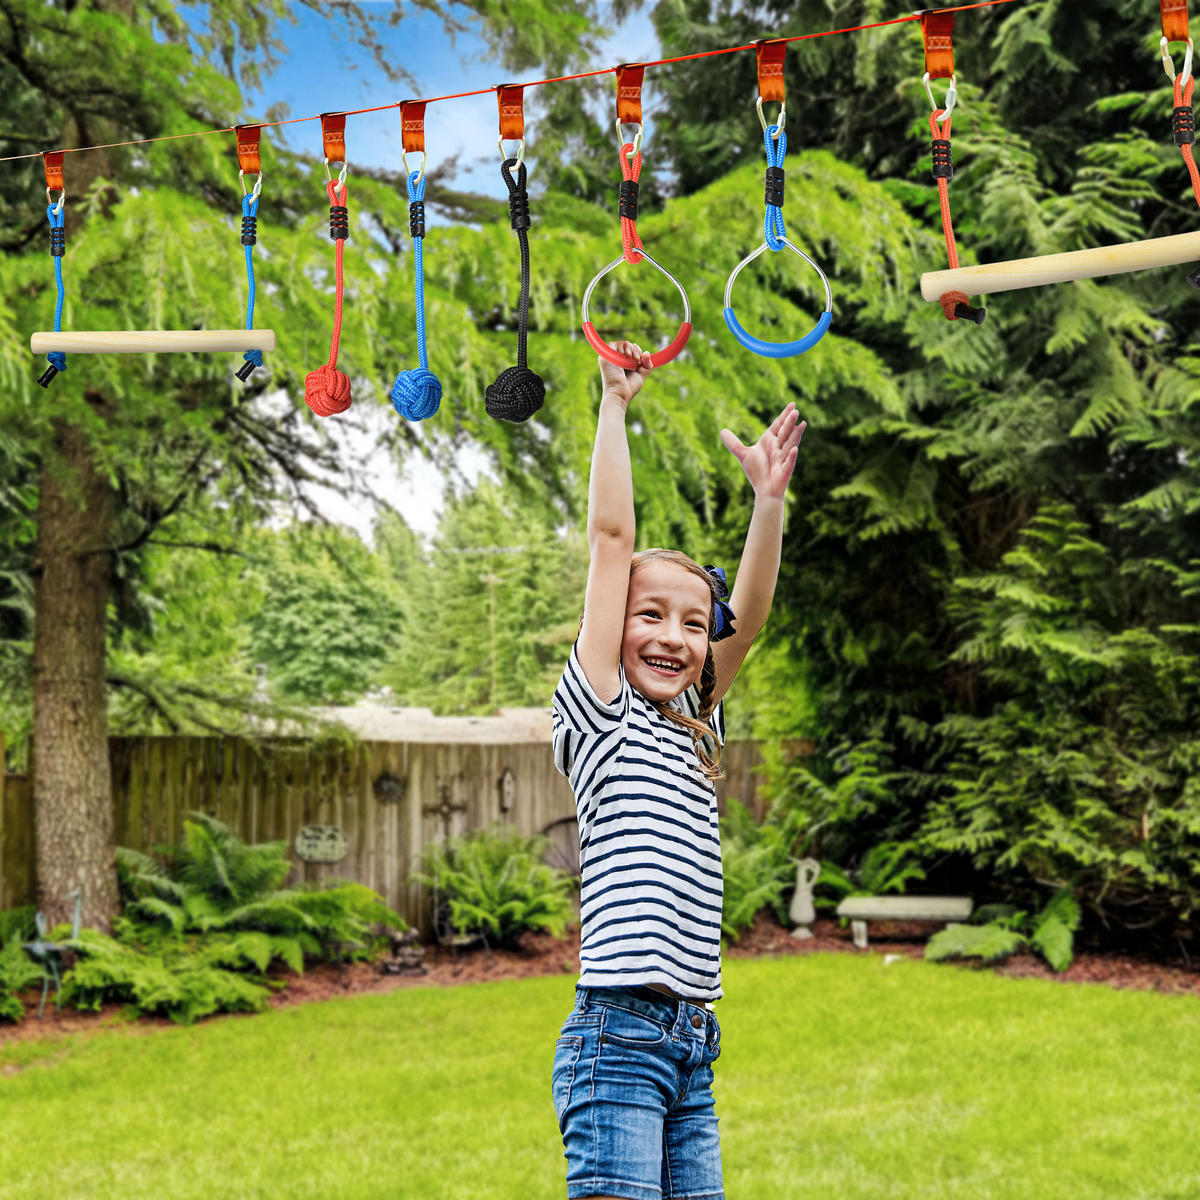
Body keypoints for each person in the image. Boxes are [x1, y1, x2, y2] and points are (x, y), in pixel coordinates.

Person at [550, 340, 806, 1200]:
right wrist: (615, 406)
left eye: (692, 625)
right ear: (611, 624)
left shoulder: (695, 722)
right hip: (616, 1040)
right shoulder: (603, 713)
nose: (672, 636)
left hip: (692, 1042)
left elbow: (754, 614)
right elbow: (610, 539)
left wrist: (768, 503)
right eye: (648, 614)